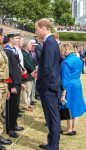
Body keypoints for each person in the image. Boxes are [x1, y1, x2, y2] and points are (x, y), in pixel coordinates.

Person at [35, 18, 61, 150]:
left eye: (37, 29)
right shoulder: (51, 42)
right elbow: (49, 65)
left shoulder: (50, 42)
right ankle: (51, 143)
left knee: (52, 117)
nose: (36, 32)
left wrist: (42, 87)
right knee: (51, 118)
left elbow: (49, 68)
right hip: (51, 85)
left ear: (44, 28)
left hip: (48, 87)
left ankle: (53, 146)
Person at [59, 42, 86, 136]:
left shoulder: (65, 62)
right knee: (76, 106)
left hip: (69, 87)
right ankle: (73, 128)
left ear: (64, 51)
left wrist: (63, 94)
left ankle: (69, 129)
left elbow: (65, 79)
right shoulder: (78, 60)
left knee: (68, 106)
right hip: (77, 84)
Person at [4, 31, 24, 138]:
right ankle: (9, 128)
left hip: (17, 81)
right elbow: (8, 70)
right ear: (11, 39)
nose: (17, 40)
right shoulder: (7, 51)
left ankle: (14, 124)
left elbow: (16, 68)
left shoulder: (13, 50)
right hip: (12, 83)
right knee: (10, 107)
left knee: (16, 106)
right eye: (16, 38)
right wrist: (11, 86)